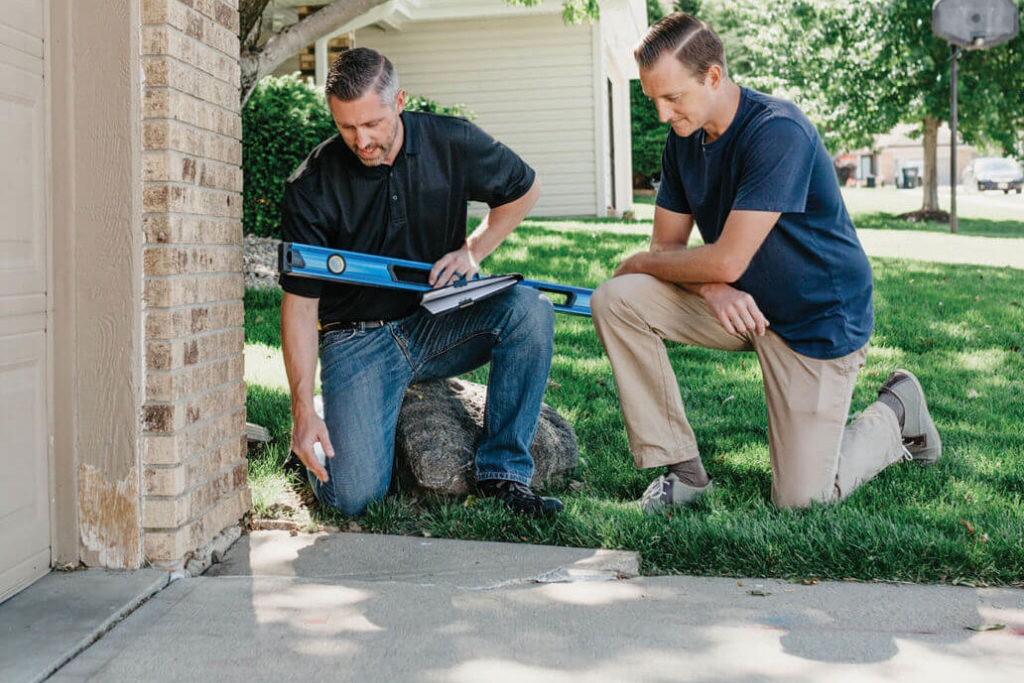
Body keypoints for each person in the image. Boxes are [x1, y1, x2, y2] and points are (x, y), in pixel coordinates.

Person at [591, 13, 941, 512]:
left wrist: (667, 265)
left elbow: (726, 258)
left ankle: (898, 412)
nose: (664, 115)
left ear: (713, 77)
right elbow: (669, 250)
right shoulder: (683, 141)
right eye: (655, 101)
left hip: (816, 321)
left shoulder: (778, 132)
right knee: (617, 299)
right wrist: (712, 287)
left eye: (673, 98)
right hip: (741, 306)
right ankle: (684, 474)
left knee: (801, 501)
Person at [279, 48, 562, 517]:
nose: (361, 140)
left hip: (435, 322)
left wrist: (473, 250)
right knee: (352, 497)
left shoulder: (452, 143)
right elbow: (300, 307)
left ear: (400, 102)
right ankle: (321, 434)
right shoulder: (312, 185)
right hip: (357, 341)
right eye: (346, 127)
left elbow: (524, 189)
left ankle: (504, 474)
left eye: (372, 124)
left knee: (530, 310)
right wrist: (302, 410)